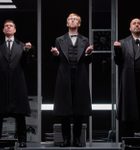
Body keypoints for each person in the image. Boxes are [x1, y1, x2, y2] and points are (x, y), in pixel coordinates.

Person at [51, 13, 93, 147]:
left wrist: (88, 54)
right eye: (70, 19)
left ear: (79, 24)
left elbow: (88, 62)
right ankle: (66, 139)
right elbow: (55, 61)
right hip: (64, 77)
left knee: (79, 110)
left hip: (80, 76)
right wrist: (56, 55)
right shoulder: (59, 40)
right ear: (67, 23)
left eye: (75, 19)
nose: (72, 20)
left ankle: (76, 139)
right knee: (64, 110)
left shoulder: (85, 40)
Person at [114, 18, 140, 139]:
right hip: (129, 82)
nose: (136, 25)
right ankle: (127, 139)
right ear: (130, 28)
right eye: (134, 24)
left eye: (139, 23)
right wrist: (117, 50)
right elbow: (118, 62)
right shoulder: (123, 43)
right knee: (128, 110)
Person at [0, 19, 32, 147]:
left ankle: (22, 140)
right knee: (0, 113)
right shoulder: (0, 47)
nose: (8, 27)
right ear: (3, 30)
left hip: (18, 84)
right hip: (2, 85)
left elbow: (26, 65)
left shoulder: (22, 46)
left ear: (15, 29)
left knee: (20, 115)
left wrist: (27, 52)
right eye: (6, 26)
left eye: (11, 26)